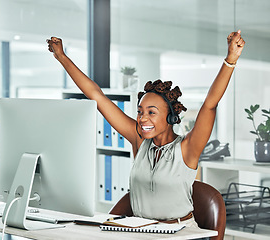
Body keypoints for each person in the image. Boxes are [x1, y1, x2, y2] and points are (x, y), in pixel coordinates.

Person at [47, 31, 245, 226]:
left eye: (151, 112)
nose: (142, 119)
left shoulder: (187, 148)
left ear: (170, 117)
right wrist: (62, 57)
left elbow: (210, 105)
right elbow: (97, 96)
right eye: (140, 112)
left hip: (178, 233)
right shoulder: (139, 140)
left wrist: (231, 59)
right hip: (141, 230)